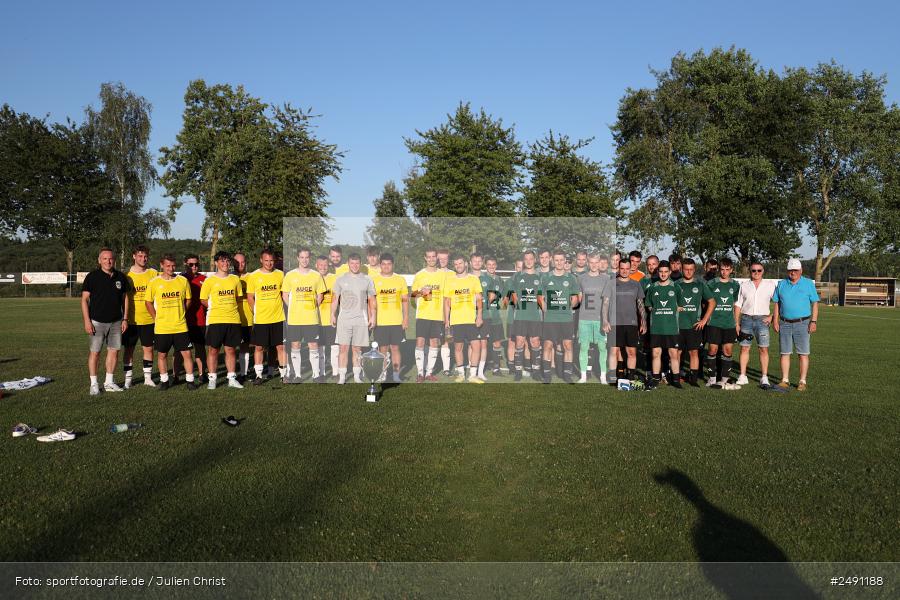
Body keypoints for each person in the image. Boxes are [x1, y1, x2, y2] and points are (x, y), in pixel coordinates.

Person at [145, 254, 198, 390]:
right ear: (162, 265)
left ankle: (190, 380)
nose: (171, 268)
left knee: (187, 354)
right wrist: (155, 317)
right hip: (162, 327)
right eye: (168, 265)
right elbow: (148, 302)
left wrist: (182, 311)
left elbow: (189, 299)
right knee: (162, 354)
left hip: (180, 326)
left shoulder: (182, 281)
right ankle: (164, 381)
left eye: (173, 265)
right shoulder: (154, 282)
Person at [81, 247, 129, 395]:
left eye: (111, 258)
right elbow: (84, 300)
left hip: (116, 322)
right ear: (99, 260)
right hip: (97, 322)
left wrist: (125, 318)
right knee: (95, 353)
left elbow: (125, 299)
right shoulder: (92, 277)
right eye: (105, 258)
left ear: (114, 260)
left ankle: (109, 382)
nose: (108, 261)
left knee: (114, 351)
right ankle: (94, 384)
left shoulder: (121, 277)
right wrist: (87, 321)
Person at [199, 251, 245, 389]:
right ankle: (212, 379)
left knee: (230, 350)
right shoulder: (209, 281)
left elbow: (238, 298)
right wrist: (216, 307)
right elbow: (203, 299)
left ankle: (231, 378)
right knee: (213, 350)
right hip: (215, 319)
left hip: (233, 319)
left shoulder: (235, 279)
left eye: (227, 261)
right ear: (216, 263)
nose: (225, 263)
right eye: (222, 261)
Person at [772, 259, 819, 391]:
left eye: (796, 270)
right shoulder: (781, 284)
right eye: (791, 270)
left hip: (802, 323)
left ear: (801, 270)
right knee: (784, 353)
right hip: (784, 323)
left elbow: (815, 303)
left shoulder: (808, 284)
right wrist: (775, 320)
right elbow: (777, 303)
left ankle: (802, 381)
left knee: (803, 353)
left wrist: (813, 321)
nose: (793, 272)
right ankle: (785, 380)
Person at [331, 253, 376, 384]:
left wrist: (373, 316)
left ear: (360, 264)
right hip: (344, 320)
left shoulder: (367, 279)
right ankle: (342, 377)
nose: (355, 266)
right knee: (343, 348)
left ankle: (357, 376)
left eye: (357, 263)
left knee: (357, 349)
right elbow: (335, 299)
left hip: (361, 320)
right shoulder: (340, 279)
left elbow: (371, 300)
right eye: (352, 263)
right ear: (348, 264)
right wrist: (332, 314)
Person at [283, 247, 326, 383]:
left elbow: (320, 295)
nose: (304, 260)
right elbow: (285, 295)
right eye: (302, 257)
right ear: (297, 258)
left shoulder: (316, 275)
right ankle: (297, 375)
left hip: (311, 318)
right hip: (294, 319)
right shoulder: (290, 275)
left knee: (313, 345)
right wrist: (294, 307)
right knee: (295, 345)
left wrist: (311, 307)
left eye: (307, 257)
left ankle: (316, 375)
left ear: (310, 258)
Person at [538, 251, 581, 384]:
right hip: (550, 319)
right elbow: (540, 297)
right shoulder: (546, 277)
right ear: (553, 261)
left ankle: (567, 375)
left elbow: (575, 298)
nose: (559, 262)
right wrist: (546, 310)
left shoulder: (571, 278)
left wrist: (569, 308)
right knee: (547, 345)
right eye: (556, 260)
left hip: (566, 319)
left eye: (561, 260)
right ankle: (547, 376)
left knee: (567, 345)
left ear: (565, 261)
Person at [246, 248, 286, 385]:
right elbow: (250, 297)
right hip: (261, 319)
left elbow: (284, 294)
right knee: (259, 347)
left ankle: (284, 375)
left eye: (271, 260)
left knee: (280, 347)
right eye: (266, 260)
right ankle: (258, 376)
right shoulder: (253, 276)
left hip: (279, 318)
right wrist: (256, 311)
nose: (269, 263)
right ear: (261, 260)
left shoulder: (280, 274)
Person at [443, 255, 485, 383]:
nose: (458, 266)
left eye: (460, 263)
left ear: (466, 264)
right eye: (456, 264)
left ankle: (472, 375)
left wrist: (479, 316)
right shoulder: (450, 280)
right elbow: (447, 302)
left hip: (471, 320)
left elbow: (479, 300)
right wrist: (446, 320)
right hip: (456, 320)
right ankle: (461, 374)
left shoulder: (474, 279)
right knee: (458, 348)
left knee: (476, 346)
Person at [735, 260, 777, 386]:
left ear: (763, 271)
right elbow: (738, 304)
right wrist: (736, 323)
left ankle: (764, 377)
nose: (756, 272)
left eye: (759, 270)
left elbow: (778, 303)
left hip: (762, 321)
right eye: (754, 270)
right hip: (746, 319)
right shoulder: (744, 285)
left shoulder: (770, 285)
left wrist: (772, 317)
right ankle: (743, 376)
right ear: (750, 271)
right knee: (744, 348)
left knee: (763, 349)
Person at [674, 258, 715, 386]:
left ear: (694, 269)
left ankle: (693, 379)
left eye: (691, 269)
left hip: (694, 325)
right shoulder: (675, 284)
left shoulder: (700, 284)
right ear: (681, 269)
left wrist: (704, 320)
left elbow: (712, 302)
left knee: (694, 352)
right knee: (677, 352)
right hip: (677, 325)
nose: (688, 272)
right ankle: (676, 377)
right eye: (686, 269)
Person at [643, 261, 684, 389]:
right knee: (656, 353)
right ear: (658, 272)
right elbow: (648, 305)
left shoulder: (676, 287)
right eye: (661, 271)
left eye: (666, 272)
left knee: (673, 354)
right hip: (656, 327)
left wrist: (672, 311)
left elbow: (680, 305)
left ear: (670, 272)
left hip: (671, 328)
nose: (663, 274)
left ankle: (676, 380)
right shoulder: (652, 287)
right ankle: (656, 379)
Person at [122, 245, 157, 388]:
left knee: (148, 349)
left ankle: (147, 378)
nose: (143, 259)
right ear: (134, 256)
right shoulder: (126, 275)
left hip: (149, 319)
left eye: (145, 256)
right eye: (140, 256)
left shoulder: (154, 273)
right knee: (128, 350)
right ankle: (128, 379)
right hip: (131, 321)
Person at [411, 249, 447, 382]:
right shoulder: (420, 274)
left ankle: (429, 373)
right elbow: (413, 295)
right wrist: (421, 292)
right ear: (425, 258)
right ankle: (420, 373)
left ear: (437, 258)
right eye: (429, 257)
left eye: (433, 256)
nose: (431, 259)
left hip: (437, 315)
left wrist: (445, 316)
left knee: (434, 343)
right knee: (420, 342)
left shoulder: (442, 275)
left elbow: (445, 296)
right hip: (423, 314)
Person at [372, 253, 408, 383]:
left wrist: (406, 318)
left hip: (396, 321)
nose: (386, 266)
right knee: (382, 349)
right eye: (384, 264)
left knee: (395, 348)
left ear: (393, 265)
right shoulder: (374, 280)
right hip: (380, 322)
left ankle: (396, 374)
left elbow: (405, 301)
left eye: (389, 264)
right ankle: (382, 374)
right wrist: (372, 318)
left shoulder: (400, 280)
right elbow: (371, 302)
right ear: (380, 265)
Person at [704, 257, 740, 387]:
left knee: (728, 351)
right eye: (722, 269)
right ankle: (712, 378)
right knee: (712, 350)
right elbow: (706, 302)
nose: (724, 272)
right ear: (719, 269)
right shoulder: (711, 283)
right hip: (714, 322)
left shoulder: (735, 285)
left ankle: (725, 379)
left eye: (727, 269)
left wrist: (737, 323)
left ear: (731, 270)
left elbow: (735, 304)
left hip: (729, 323)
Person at [576, 253, 612, 384]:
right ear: (587, 263)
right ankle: (583, 376)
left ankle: (603, 376)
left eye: (596, 262)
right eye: (591, 262)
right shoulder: (581, 278)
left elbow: (606, 301)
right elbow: (579, 299)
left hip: (599, 319)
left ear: (599, 263)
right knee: (583, 347)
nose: (594, 265)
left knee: (602, 347)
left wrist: (605, 320)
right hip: (584, 318)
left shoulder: (606, 279)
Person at [509, 251, 544, 381]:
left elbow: (543, 296)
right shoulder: (517, 276)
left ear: (535, 260)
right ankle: (518, 371)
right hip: (521, 315)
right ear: (523, 260)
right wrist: (516, 303)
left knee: (535, 342)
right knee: (519, 342)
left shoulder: (541, 276)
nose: (529, 261)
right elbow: (511, 292)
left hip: (535, 316)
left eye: (531, 259)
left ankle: (536, 371)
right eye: (526, 259)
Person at [613, 258, 647, 383]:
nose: (624, 271)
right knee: (617, 350)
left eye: (627, 268)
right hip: (616, 323)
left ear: (630, 269)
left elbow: (640, 305)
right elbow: (606, 303)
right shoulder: (612, 284)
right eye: (622, 268)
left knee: (631, 351)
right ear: (619, 268)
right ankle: (619, 374)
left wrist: (643, 322)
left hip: (631, 323)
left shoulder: (636, 284)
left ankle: (631, 377)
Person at [176, 254, 206, 382]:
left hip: (199, 320)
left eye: (196, 264)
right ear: (185, 264)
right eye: (191, 264)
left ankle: (202, 374)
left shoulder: (204, 279)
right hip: (182, 321)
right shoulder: (179, 279)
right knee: (179, 350)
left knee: (200, 348)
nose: (194, 267)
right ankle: (175, 376)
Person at [471, 253, 501, 379]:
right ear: (470, 262)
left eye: (479, 261)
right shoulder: (467, 277)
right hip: (468, 316)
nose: (477, 263)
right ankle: (472, 370)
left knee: (484, 343)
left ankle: (481, 372)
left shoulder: (489, 279)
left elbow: (493, 299)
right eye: (475, 261)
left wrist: (483, 303)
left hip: (485, 315)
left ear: (481, 262)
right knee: (471, 344)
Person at [316, 255, 339, 379]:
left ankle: (335, 372)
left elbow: (337, 297)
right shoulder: (313, 278)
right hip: (317, 320)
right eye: (321, 265)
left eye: (325, 265)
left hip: (332, 319)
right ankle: (322, 372)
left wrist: (333, 314)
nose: (323, 267)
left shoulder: (334, 278)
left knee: (335, 347)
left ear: (328, 265)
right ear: (316, 265)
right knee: (320, 347)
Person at [483, 257, 506, 375]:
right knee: (484, 342)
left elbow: (503, 298)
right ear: (485, 265)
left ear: (496, 266)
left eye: (493, 264)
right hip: (484, 316)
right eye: (489, 264)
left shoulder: (500, 280)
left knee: (497, 342)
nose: (491, 266)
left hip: (496, 317)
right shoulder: (481, 278)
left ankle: (496, 368)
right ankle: (484, 364)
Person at [233, 252, 253, 381]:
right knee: (230, 348)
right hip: (231, 318)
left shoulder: (252, 277)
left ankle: (243, 373)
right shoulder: (229, 278)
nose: (240, 265)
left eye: (243, 262)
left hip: (248, 318)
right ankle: (230, 373)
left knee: (245, 346)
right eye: (237, 262)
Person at [436, 249, 452, 375]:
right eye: (440, 258)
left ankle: (446, 368)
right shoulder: (432, 273)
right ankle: (429, 367)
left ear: (448, 259)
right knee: (432, 340)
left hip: (450, 313)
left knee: (446, 339)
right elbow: (422, 294)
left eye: (445, 258)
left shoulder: (453, 274)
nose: (442, 261)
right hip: (433, 313)